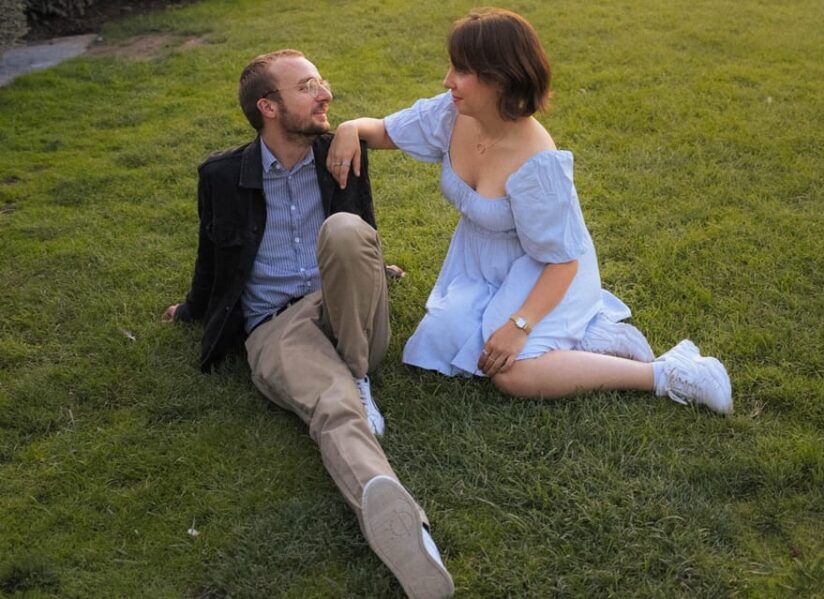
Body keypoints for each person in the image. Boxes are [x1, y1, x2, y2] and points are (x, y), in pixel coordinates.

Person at [327, 9, 733, 413]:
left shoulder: (536, 164)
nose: (447, 80)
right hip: (483, 266)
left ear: (500, 77)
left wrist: (519, 326)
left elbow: (563, 261)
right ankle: (594, 341)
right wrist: (350, 129)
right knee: (448, 336)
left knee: (512, 372)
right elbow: (383, 130)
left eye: (462, 70)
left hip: (547, 271)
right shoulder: (451, 113)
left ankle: (669, 373)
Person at [163, 49, 454, 599]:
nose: (326, 94)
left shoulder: (340, 153)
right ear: (268, 107)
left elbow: (359, 236)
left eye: (322, 81)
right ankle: (402, 524)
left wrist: (374, 270)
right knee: (334, 408)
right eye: (308, 87)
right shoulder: (222, 176)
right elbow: (212, 251)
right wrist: (194, 309)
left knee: (344, 229)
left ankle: (359, 373)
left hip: (349, 306)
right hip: (277, 325)